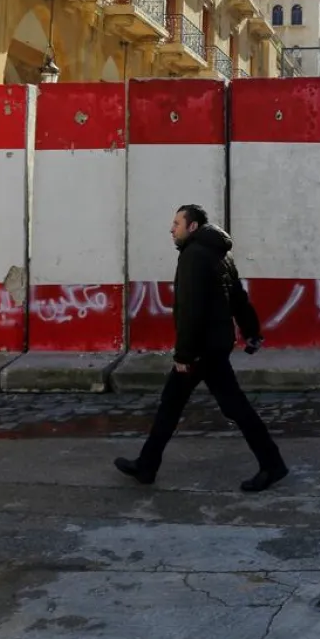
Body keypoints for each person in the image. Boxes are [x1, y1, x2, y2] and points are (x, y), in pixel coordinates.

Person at [114, 204, 287, 493]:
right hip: (214, 345)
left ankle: (272, 464)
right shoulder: (220, 253)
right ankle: (146, 465)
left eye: (177, 224)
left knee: (230, 407)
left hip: (201, 350)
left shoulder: (193, 256)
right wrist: (252, 331)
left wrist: (184, 355)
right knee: (174, 403)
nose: (172, 229)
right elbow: (238, 298)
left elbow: (190, 311)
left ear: (192, 226)